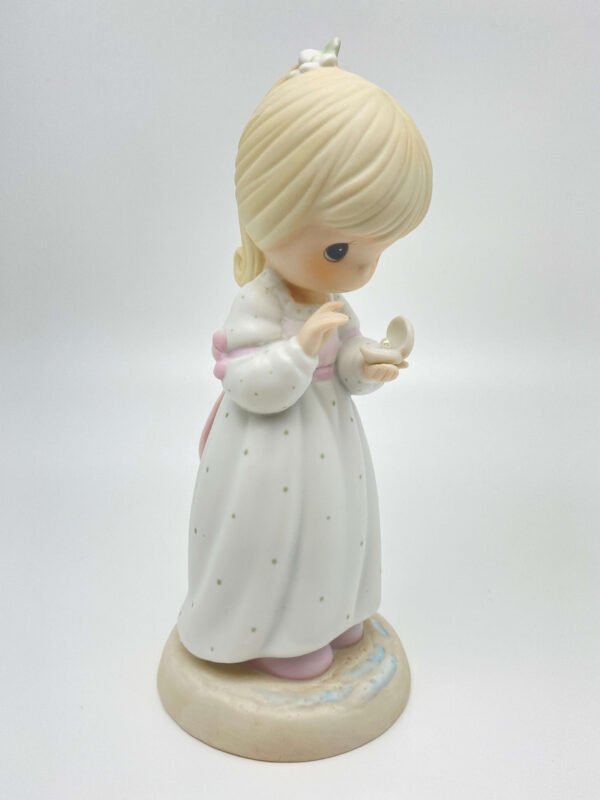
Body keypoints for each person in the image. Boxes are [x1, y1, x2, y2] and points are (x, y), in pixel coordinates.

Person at [176, 39, 432, 679]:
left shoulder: (332, 300)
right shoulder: (258, 303)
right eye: (341, 250)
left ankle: (335, 612)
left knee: (333, 528)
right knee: (279, 537)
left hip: (330, 443)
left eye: (376, 252)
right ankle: (279, 635)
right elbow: (247, 382)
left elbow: (344, 360)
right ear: (271, 215)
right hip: (268, 453)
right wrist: (300, 349)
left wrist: (364, 363)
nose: (362, 269)